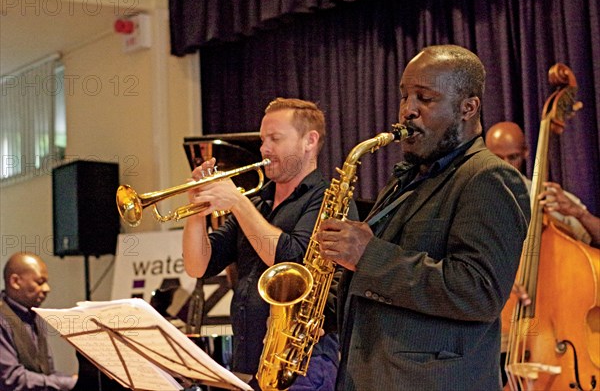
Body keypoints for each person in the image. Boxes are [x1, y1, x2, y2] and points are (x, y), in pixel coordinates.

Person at [314, 45, 530, 390]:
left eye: (424, 98)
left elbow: (479, 292)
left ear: (468, 107)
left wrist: (369, 256)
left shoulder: (488, 178)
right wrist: (318, 309)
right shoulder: (408, 177)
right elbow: (381, 288)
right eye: (404, 96)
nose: (407, 111)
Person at [182, 98, 357, 390]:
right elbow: (197, 265)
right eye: (263, 139)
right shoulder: (257, 202)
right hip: (247, 363)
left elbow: (293, 262)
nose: (264, 149)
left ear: (309, 141)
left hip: (300, 366)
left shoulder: (327, 199)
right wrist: (196, 208)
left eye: (275, 139)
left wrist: (237, 202)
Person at [486, 121, 598, 246]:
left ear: (525, 152)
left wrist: (582, 214)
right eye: (497, 158)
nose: (505, 165)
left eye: (513, 157)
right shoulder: (471, 198)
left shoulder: (551, 199)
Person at [0, 252, 77, 391]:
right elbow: (10, 378)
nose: (47, 289)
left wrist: (71, 380)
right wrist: (67, 383)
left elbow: (45, 373)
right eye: (40, 282)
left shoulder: (33, 315)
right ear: (15, 282)